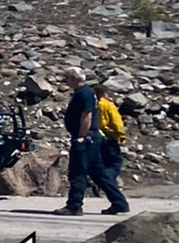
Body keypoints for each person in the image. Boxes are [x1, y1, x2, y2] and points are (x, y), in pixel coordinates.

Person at [55, 68, 129, 216]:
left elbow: (86, 115)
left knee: (78, 171)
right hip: (92, 139)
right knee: (98, 172)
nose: (66, 80)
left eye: (67, 77)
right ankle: (119, 202)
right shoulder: (84, 92)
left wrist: (81, 136)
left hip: (86, 139)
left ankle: (74, 205)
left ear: (75, 78)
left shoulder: (84, 93)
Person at [94, 83, 128, 200]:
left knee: (102, 162)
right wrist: (121, 135)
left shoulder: (93, 105)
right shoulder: (108, 105)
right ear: (104, 93)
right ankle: (107, 183)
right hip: (108, 136)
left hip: (96, 136)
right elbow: (116, 122)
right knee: (115, 163)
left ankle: (102, 183)